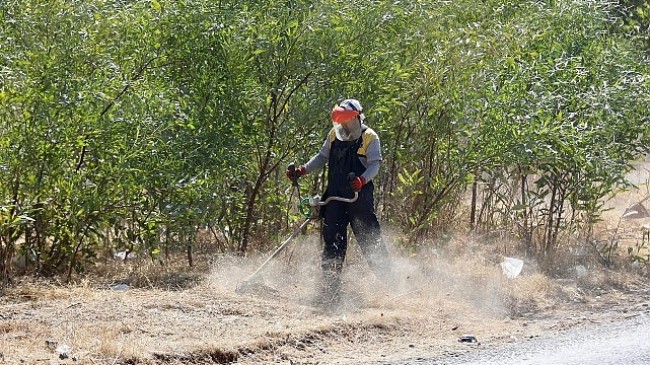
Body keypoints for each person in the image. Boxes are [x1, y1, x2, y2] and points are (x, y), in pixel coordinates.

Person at [286, 98, 392, 305]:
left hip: (358, 198)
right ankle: (330, 289)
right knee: (333, 242)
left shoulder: (370, 138)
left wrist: (361, 180)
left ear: (356, 117)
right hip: (335, 197)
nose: (342, 124)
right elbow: (322, 156)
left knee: (371, 242)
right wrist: (302, 170)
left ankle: (392, 285)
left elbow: (374, 166)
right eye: (339, 120)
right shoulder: (334, 135)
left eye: (345, 119)